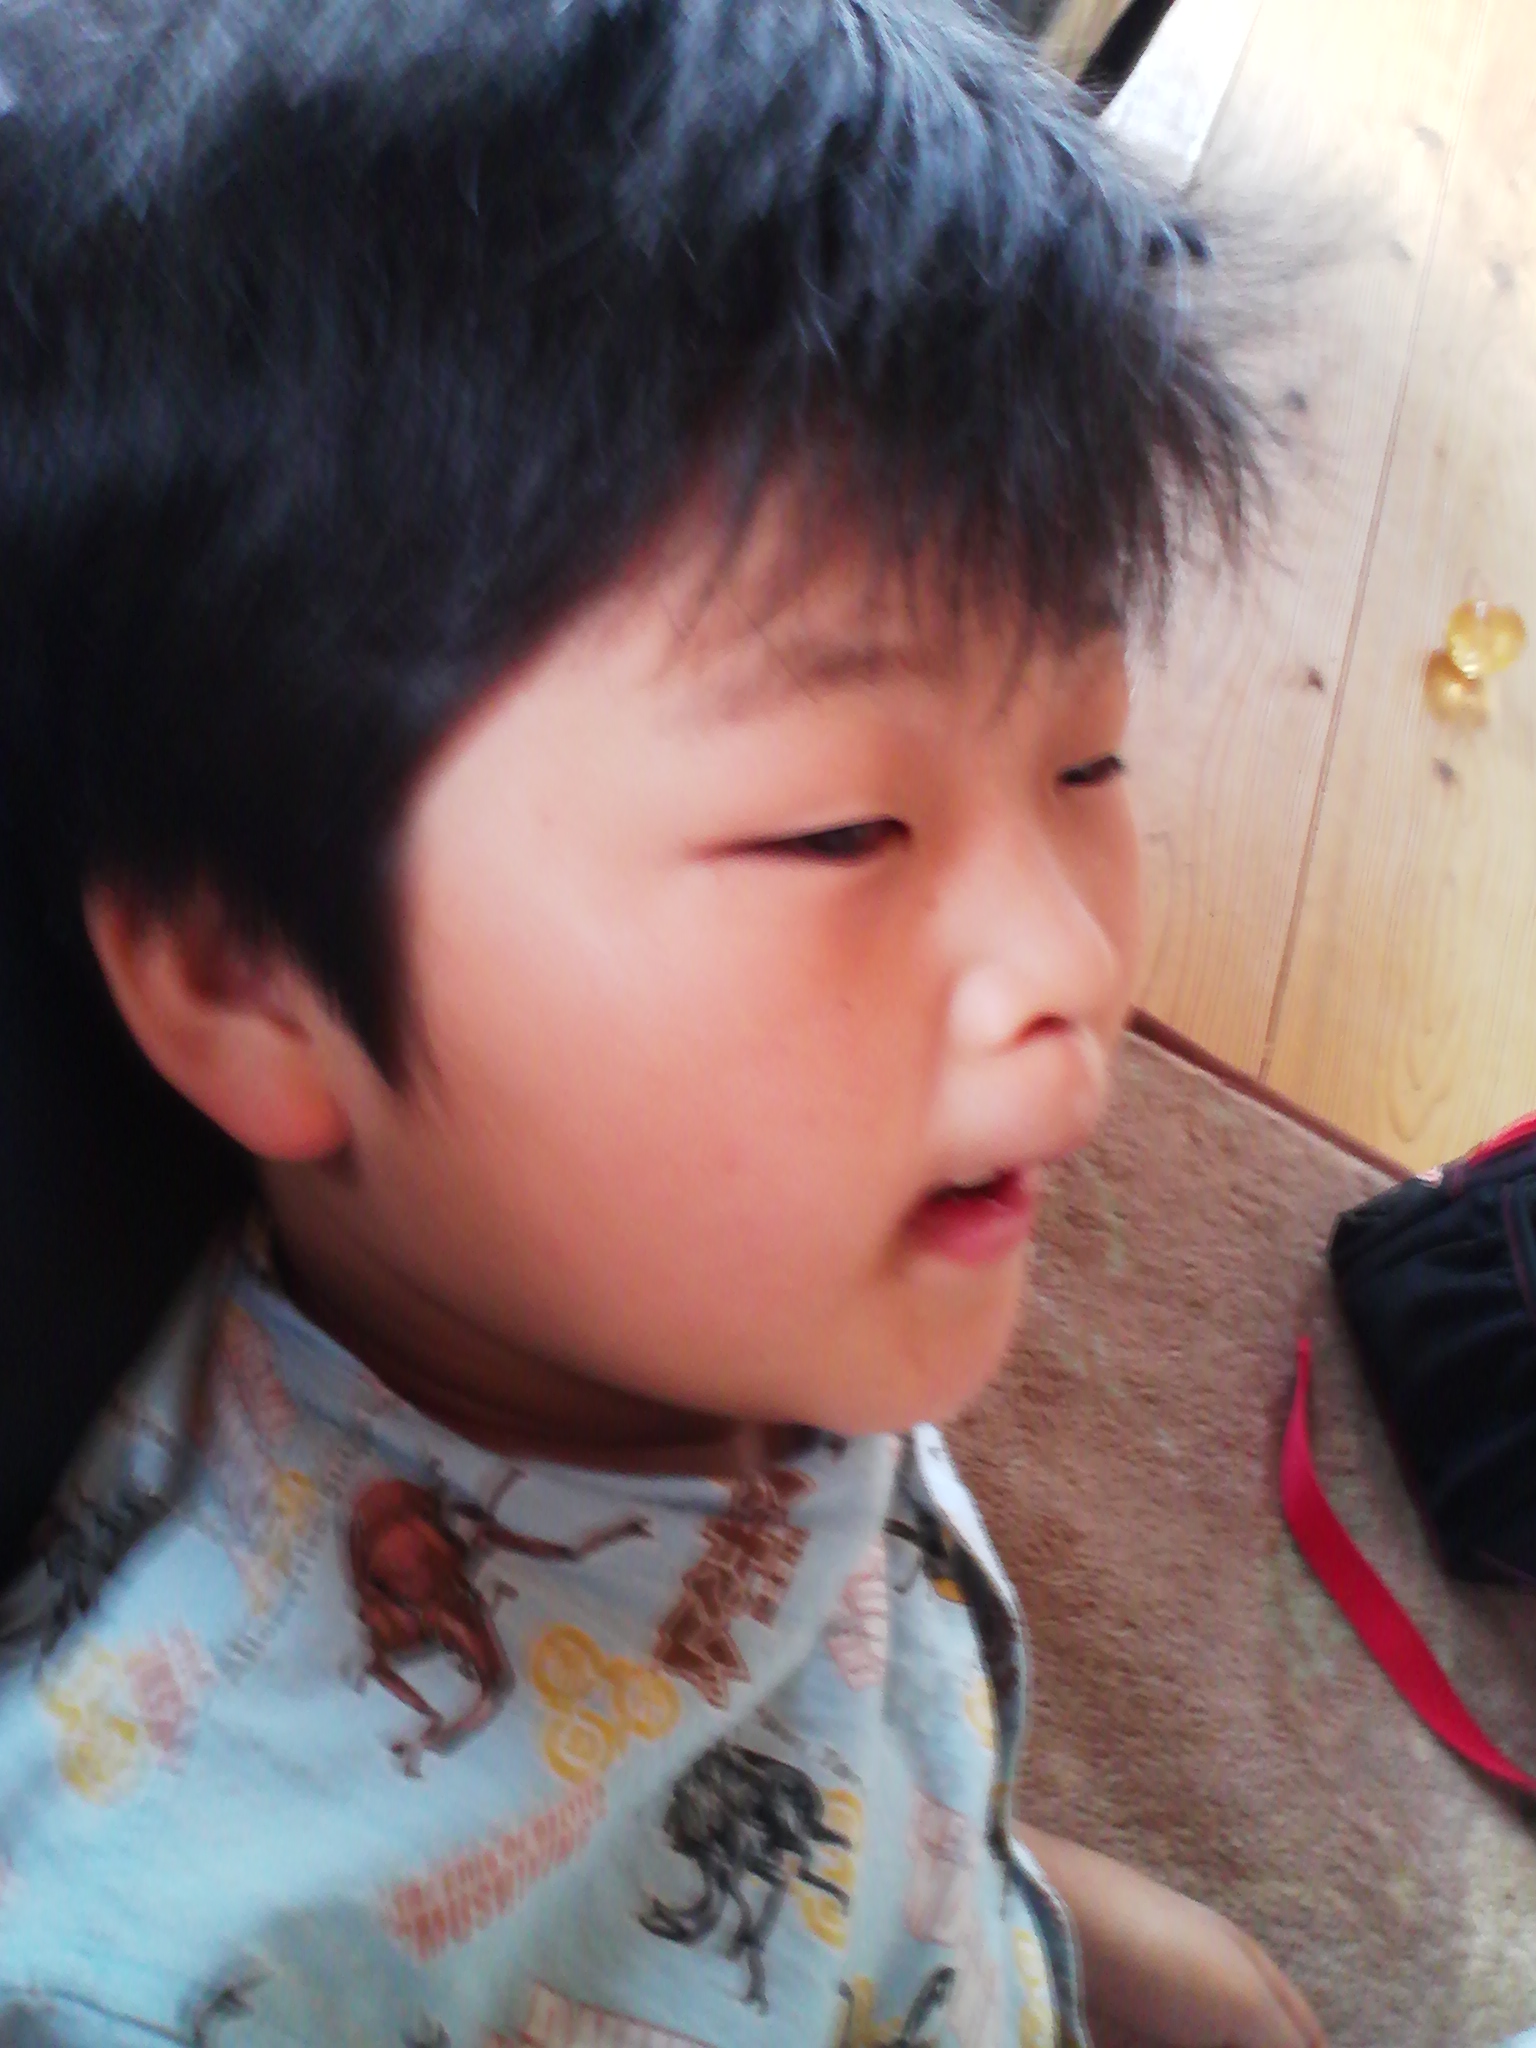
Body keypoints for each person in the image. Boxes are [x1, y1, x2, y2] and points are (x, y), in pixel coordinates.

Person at [0, 2, 1323, 2043]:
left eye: (1088, 761)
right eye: (840, 828)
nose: (1070, 956)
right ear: (254, 977)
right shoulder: (205, 1964)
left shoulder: (683, 1280)